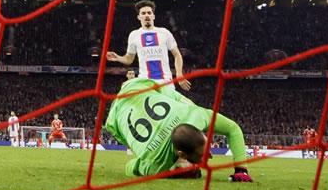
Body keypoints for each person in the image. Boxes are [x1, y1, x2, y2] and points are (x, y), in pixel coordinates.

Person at [104, 76, 252, 182]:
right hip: (116, 115)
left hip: (138, 87)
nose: (210, 156)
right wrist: (170, 173)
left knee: (187, 104)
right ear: (182, 153)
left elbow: (233, 129)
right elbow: (129, 167)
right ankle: (179, 163)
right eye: (201, 155)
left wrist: (241, 170)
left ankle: (184, 161)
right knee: (136, 150)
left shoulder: (197, 115)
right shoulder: (157, 166)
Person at [106, 0, 189, 89]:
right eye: (143, 13)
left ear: (153, 16)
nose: (147, 15)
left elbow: (177, 55)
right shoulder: (134, 35)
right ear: (139, 17)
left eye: (149, 13)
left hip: (166, 82)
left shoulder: (164, 32)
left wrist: (179, 74)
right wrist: (118, 58)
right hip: (145, 82)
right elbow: (129, 59)